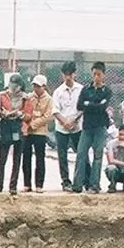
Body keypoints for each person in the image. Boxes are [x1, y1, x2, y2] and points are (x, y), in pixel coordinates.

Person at [76, 61, 114, 193]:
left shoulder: (107, 91)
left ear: (103, 75)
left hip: (100, 127)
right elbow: (80, 105)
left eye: (99, 74)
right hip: (87, 127)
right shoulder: (86, 89)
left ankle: (94, 185)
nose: (96, 77)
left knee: (98, 156)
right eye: (94, 74)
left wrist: (89, 104)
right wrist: (94, 104)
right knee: (81, 154)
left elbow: (102, 107)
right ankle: (78, 184)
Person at [50, 62, 83, 190]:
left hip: (77, 127)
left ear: (75, 74)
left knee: (80, 154)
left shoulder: (81, 89)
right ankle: (65, 181)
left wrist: (73, 120)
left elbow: (82, 108)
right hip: (61, 129)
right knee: (62, 156)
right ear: (62, 75)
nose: (68, 77)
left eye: (70, 74)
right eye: (65, 75)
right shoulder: (58, 91)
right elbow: (55, 110)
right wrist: (65, 122)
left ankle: (81, 180)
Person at [22, 74, 53, 192]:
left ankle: (39, 184)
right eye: (34, 86)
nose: (36, 88)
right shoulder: (28, 97)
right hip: (28, 132)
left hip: (40, 132)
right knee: (26, 157)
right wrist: (27, 124)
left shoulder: (49, 100)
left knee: (40, 158)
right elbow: (25, 111)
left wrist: (33, 124)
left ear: (44, 86)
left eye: (38, 86)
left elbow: (47, 116)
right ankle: (27, 183)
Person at [0, 73, 24, 194]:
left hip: (18, 125)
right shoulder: (3, 95)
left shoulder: (25, 97)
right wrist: (4, 112)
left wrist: (19, 114)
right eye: (12, 85)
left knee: (17, 159)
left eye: (16, 86)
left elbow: (27, 113)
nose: (13, 88)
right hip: (6, 125)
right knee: (2, 158)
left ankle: (13, 186)